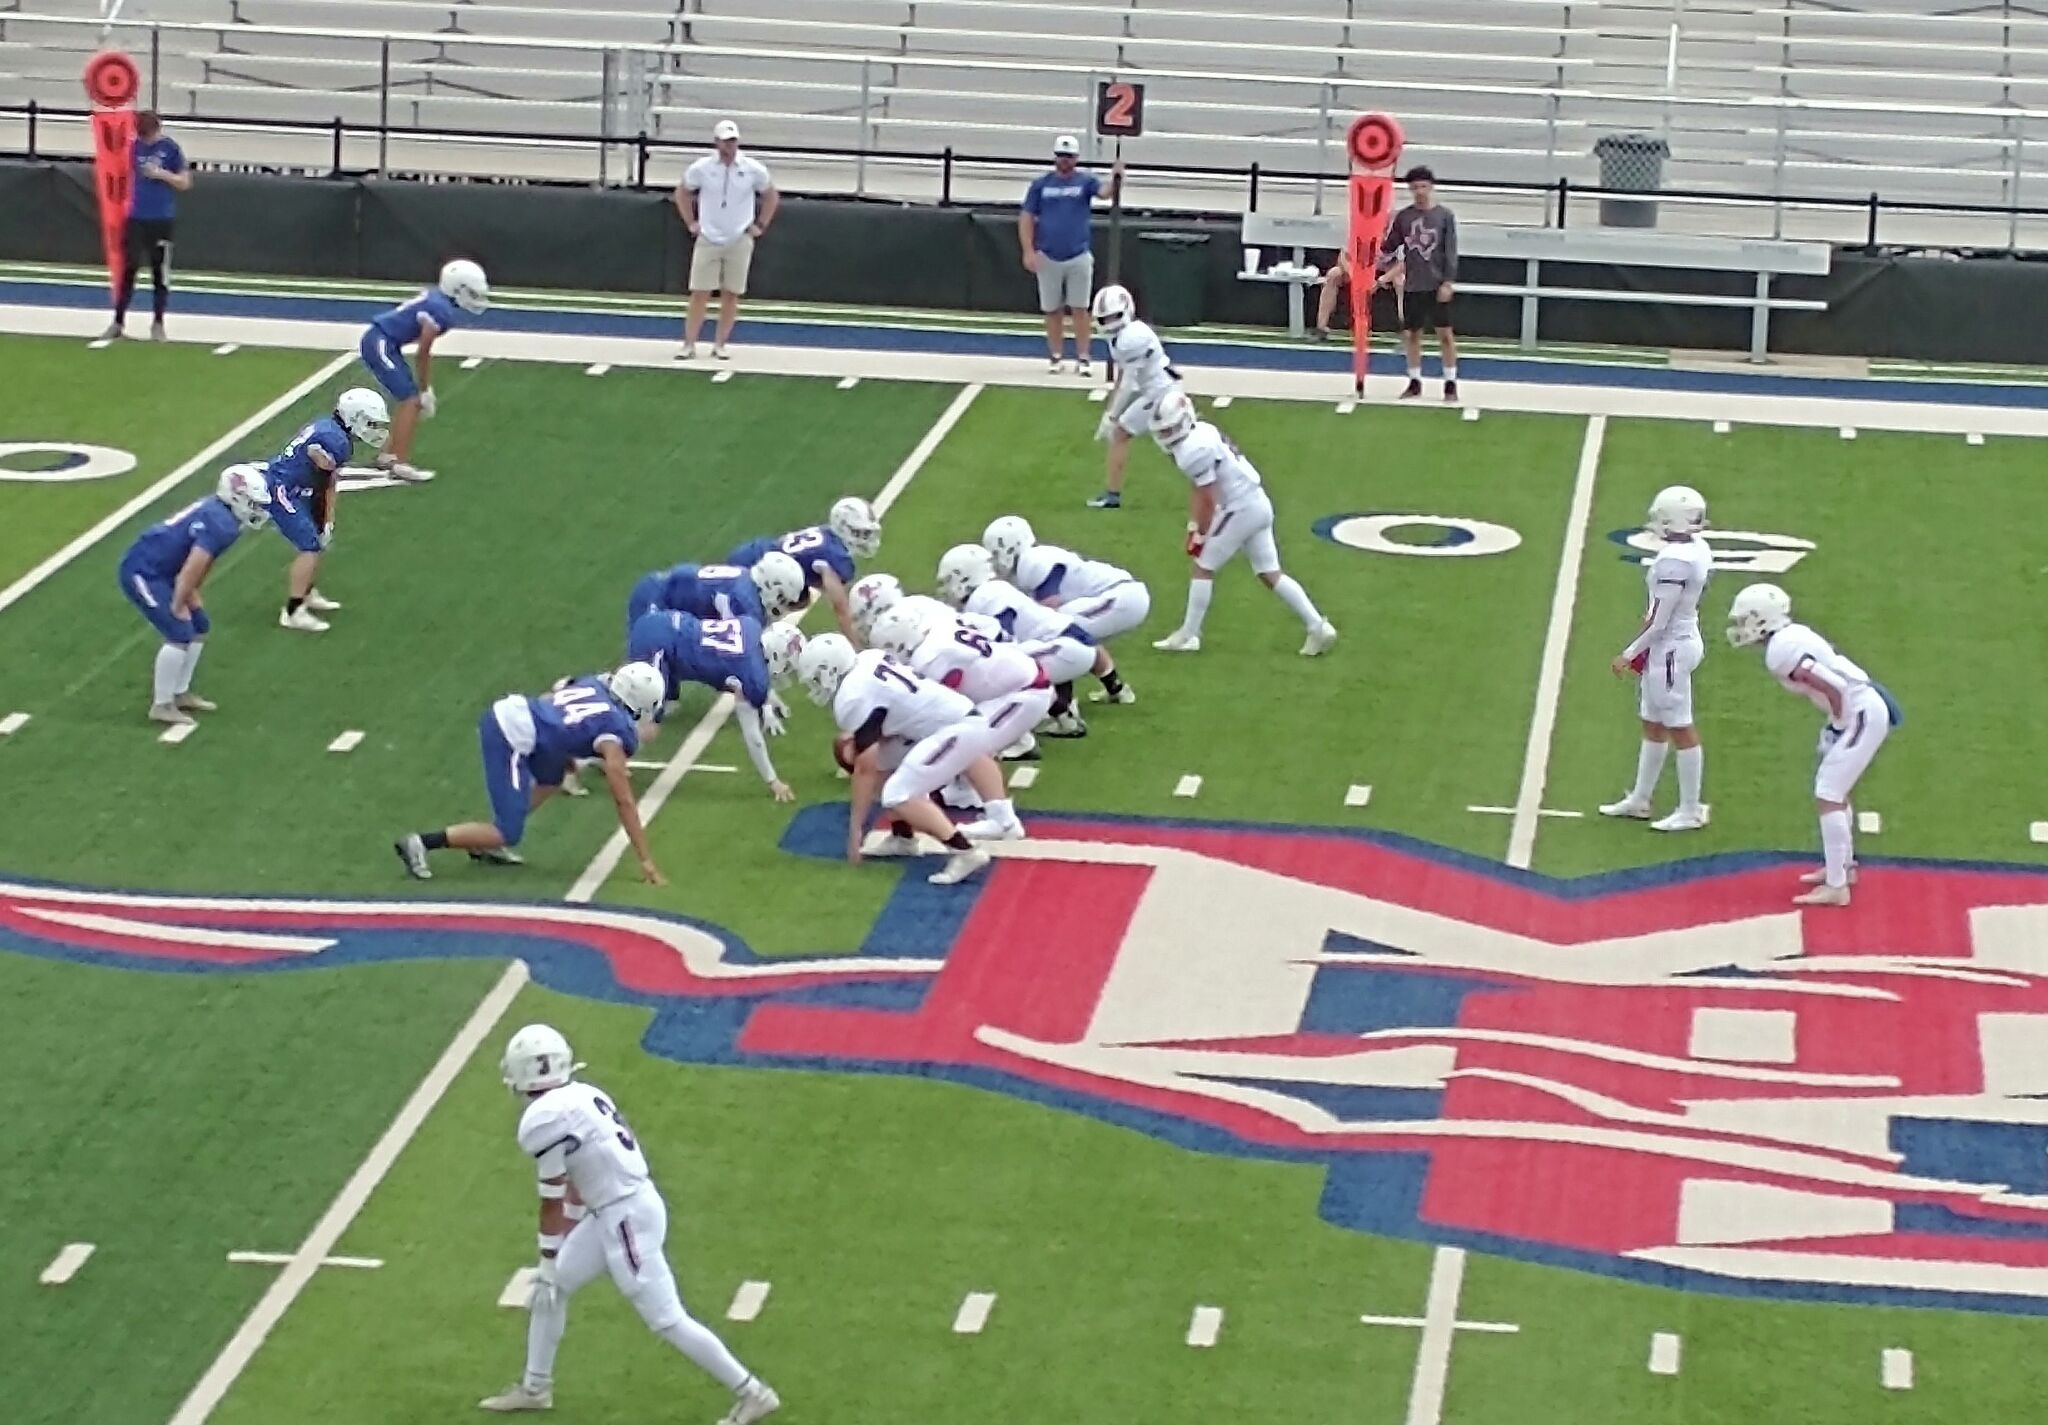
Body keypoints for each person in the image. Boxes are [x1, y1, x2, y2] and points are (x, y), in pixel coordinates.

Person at [480, 1023, 781, 1423]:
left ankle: (752, 1392)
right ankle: (536, 1387)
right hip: (617, 1209)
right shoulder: (585, 1094)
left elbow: (552, 1195)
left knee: (666, 1318)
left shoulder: (543, 1119)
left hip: (625, 1217)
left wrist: (549, 1256)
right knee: (550, 1291)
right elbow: (575, 1179)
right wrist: (559, 1255)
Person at [392, 663, 667, 884]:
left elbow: (552, 698)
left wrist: (564, 750)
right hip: (510, 735)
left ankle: (483, 842)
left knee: (552, 778)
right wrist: (645, 859)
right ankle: (421, 843)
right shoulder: (616, 732)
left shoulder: (595, 684)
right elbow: (623, 801)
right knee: (507, 832)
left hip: (524, 714)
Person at [1726, 583, 1901, 907]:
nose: (1742, 628)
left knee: (1828, 792)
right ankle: (1842, 868)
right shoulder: (1791, 636)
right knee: (1835, 789)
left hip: (1859, 712)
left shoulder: (1781, 650)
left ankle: (1837, 886)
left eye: (1747, 619)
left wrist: (1837, 725)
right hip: (1861, 707)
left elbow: (1834, 685)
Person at [795, 634, 1008, 885]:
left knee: (898, 794)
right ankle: (903, 838)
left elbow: (865, 768)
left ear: (829, 670)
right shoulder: (866, 659)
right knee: (886, 763)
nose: (815, 685)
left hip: (956, 730)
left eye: (816, 677)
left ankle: (965, 852)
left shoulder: (852, 696)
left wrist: (855, 830)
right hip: (947, 722)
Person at [1146, 391, 1338, 656]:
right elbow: (1199, 487)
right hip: (1257, 501)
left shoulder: (1193, 450)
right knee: (1270, 573)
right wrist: (1194, 527)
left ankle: (1189, 635)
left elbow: (1207, 497)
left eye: (1170, 428)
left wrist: (1201, 534)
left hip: (1241, 508)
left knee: (1203, 567)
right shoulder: (1203, 430)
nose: (1167, 435)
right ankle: (1317, 625)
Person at [116, 464, 271, 727]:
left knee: (199, 625)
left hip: (164, 569)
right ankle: (162, 705)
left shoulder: (222, 516)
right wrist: (179, 601)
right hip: (143, 570)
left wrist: (192, 592)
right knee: (179, 631)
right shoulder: (221, 523)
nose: (256, 509)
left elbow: (200, 562)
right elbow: (194, 564)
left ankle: (180, 692)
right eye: (252, 503)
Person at [870, 604, 1050, 826]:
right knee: (958, 729)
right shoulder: (939, 629)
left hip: (1023, 691)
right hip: (1009, 685)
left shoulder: (928, 658)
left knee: (968, 738)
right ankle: (963, 789)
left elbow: (943, 702)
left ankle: (1001, 819)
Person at [1599, 486, 1712, 832]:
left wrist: (1629, 653)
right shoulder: (1697, 548)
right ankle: (1640, 798)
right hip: (1674, 644)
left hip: (1670, 649)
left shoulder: (1675, 561)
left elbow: (1659, 620)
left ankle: (1690, 809)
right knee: (1653, 722)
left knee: (1680, 727)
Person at [626, 609, 794, 803]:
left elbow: (749, 661)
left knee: (635, 696)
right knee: (646, 724)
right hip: (656, 646)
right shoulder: (751, 676)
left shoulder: (751, 626)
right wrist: (773, 780)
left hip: (666, 621)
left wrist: (767, 702)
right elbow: (753, 736)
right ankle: (597, 747)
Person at [937, 542, 1097, 738]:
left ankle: (1017, 739)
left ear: (964, 576)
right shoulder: (991, 591)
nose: (946, 588)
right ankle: (1064, 718)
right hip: (1066, 645)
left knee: (998, 668)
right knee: (1009, 664)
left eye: (949, 580)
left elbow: (1003, 634)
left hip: (1067, 646)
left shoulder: (986, 595)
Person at [262, 388, 389, 633]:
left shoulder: (331, 428)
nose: (375, 429)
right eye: (371, 423)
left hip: (298, 486)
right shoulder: (335, 440)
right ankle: (293, 610)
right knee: (310, 545)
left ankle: (307, 591)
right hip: (283, 489)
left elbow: (327, 479)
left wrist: (326, 520)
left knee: (317, 538)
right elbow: (325, 481)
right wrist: (325, 517)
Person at [983, 514, 1144, 704]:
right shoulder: (1035, 558)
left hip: (1121, 596)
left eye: (996, 552)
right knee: (1070, 630)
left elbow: (1050, 608)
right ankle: (1115, 687)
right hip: (1123, 594)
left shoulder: (1032, 561)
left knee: (1057, 632)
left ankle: (1064, 704)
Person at [359, 258, 490, 482]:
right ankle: (398, 462)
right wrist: (425, 387)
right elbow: (423, 352)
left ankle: (390, 455)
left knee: (410, 399)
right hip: (380, 342)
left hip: (385, 342)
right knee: (411, 400)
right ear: (457, 288)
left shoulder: (438, 301)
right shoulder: (441, 311)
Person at [1019, 135, 1123, 376]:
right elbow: (1026, 218)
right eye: (1061, 156)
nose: (1064, 161)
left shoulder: (1084, 182)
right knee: (1052, 309)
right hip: (1048, 254)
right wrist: (1028, 250)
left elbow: (1105, 193)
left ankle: (1083, 357)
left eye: (1069, 157)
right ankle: (1056, 355)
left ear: (1075, 159)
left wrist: (1116, 178)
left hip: (1078, 253)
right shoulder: (1041, 185)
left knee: (1080, 308)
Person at [675, 120, 778, 361]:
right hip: (709, 236)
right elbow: (682, 192)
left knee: (731, 293)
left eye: (733, 140)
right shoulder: (702, 167)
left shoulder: (752, 168)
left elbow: (771, 195)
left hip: (738, 237)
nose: (730, 145)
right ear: (716, 142)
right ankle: (689, 343)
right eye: (725, 140)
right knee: (700, 291)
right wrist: (691, 222)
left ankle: (720, 344)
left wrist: (760, 225)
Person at [725, 497, 882, 639]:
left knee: (801, 598)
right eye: (861, 532)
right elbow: (840, 608)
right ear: (845, 528)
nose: (865, 538)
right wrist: (856, 647)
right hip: (755, 568)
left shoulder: (826, 534)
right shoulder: (836, 557)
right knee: (740, 632)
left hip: (757, 553)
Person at [1086, 284, 1180, 509]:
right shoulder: (1123, 335)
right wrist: (1109, 411)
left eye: (1113, 317)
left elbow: (1128, 383)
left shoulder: (1132, 338)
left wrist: (1112, 416)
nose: (1109, 323)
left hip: (1161, 391)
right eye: (1105, 319)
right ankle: (1112, 494)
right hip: (1159, 389)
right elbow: (1122, 377)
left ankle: (1112, 495)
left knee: (1177, 445)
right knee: (1176, 445)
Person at [101, 111, 190, 343]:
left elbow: (184, 182)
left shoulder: (170, 148)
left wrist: (162, 174)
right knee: (129, 267)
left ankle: (158, 323)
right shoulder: (133, 147)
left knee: (159, 271)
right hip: (136, 216)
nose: (146, 140)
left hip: (161, 218)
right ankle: (118, 321)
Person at [1377, 167, 1460, 401]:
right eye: (1415, 187)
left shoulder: (1444, 216)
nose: (1420, 192)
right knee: (1412, 334)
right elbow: (1390, 245)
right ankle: (1414, 380)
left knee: (1445, 334)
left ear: (1431, 187)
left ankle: (1450, 382)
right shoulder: (1405, 217)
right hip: (1414, 283)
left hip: (1436, 283)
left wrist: (1448, 281)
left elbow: (1450, 251)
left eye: (1423, 186)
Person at [624, 554, 804, 637]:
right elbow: (741, 652)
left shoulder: (745, 581)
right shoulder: (744, 600)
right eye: (782, 598)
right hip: (654, 600)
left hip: (664, 594)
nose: (783, 606)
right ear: (769, 585)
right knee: (649, 677)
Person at [1311, 248, 1352, 343]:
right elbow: (1343, 256)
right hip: (1356, 269)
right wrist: (1352, 274)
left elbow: (1393, 262)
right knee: (1334, 274)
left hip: (1383, 268)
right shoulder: (1356, 234)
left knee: (1394, 278)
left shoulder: (1391, 236)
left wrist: (1383, 279)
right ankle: (1321, 328)